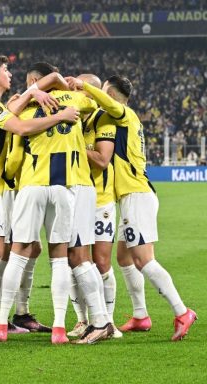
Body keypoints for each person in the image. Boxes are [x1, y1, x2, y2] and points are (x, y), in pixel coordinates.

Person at [68, 75, 197, 341]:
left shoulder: (125, 114)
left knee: (143, 260)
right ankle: (140, 315)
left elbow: (108, 107)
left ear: (110, 96)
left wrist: (85, 87)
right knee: (124, 259)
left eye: (104, 93)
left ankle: (182, 311)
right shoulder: (122, 120)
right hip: (130, 196)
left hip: (136, 194)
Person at [0, 56, 73, 341]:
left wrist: (31, 94)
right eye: (6, 70)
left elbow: (12, 111)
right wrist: (59, 116)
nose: (10, 74)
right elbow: (21, 127)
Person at [0, 65, 92, 345]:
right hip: (63, 187)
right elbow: (89, 101)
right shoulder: (75, 102)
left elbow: (14, 158)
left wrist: (10, 176)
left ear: (34, 82)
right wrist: (69, 88)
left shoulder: (21, 108)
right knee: (59, 258)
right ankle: (60, 328)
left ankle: (1, 325)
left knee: (18, 255)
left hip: (32, 185)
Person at [66, 73, 121, 341]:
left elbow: (102, 160)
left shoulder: (103, 119)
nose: (74, 94)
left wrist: (73, 144)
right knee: (73, 260)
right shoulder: (71, 117)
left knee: (101, 262)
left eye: (79, 89)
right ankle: (82, 320)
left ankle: (108, 321)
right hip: (74, 197)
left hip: (100, 201)